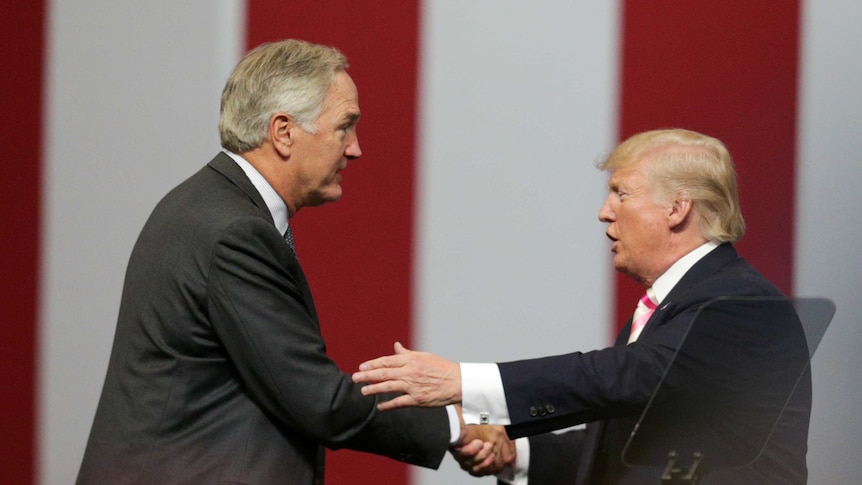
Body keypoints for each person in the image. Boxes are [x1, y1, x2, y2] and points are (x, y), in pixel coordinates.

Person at [77, 39, 469, 484]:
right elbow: (319, 400)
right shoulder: (235, 233)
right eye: (345, 127)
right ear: (283, 131)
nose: (355, 149)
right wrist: (459, 426)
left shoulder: (199, 205)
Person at [353, 128, 812, 484]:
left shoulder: (740, 304)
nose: (604, 212)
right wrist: (515, 451)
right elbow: (629, 451)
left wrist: (463, 381)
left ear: (677, 208)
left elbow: (619, 377)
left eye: (621, 193)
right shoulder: (675, 302)